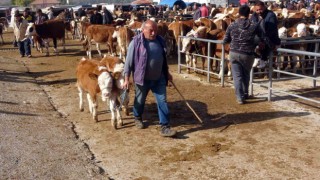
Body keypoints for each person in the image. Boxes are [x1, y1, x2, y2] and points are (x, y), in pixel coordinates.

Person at [123, 20, 177, 137]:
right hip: (142, 79)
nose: (153, 33)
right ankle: (137, 117)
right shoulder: (136, 42)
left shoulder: (160, 40)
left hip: (159, 78)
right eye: (151, 30)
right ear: (143, 30)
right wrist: (126, 78)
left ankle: (165, 126)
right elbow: (128, 62)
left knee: (162, 101)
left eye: (155, 30)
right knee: (140, 100)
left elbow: (163, 60)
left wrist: (167, 73)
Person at [223, 5, 264, 104]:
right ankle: (245, 94)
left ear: (239, 13)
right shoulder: (254, 25)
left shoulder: (232, 25)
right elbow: (261, 38)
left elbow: (225, 40)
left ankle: (239, 98)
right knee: (246, 75)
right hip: (247, 54)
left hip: (233, 53)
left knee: (237, 76)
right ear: (249, 13)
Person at [250, 1, 281, 69]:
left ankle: (263, 59)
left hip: (270, 38)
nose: (259, 11)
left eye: (260, 9)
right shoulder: (255, 15)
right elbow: (252, 26)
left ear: (264, 7)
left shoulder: (271, 15)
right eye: (257, 10)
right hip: (259, 37)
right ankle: (257, 58)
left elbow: (271, 31)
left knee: (264, 42)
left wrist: (262, 41)